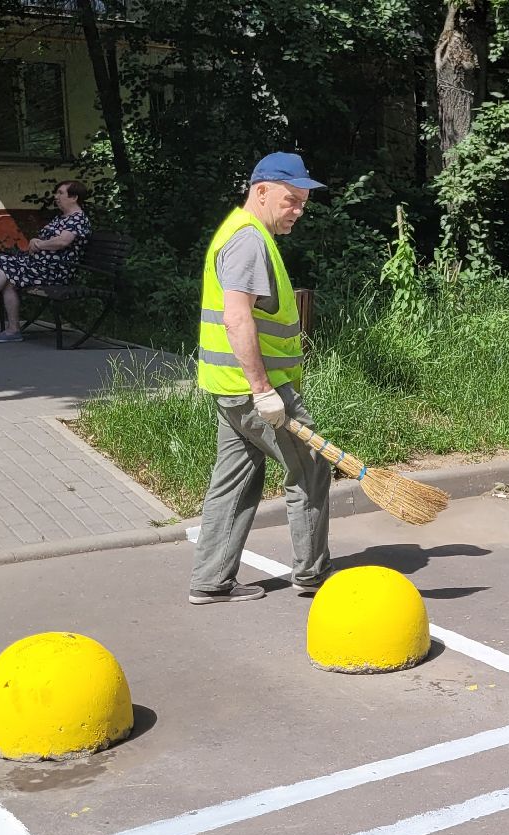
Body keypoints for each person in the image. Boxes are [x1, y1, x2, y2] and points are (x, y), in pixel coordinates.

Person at [186, 152, 333, 605]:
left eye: (304, 203)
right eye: (291, 200)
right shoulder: (249, 240)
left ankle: (211, 580)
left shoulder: (240, 233)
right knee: (310, 469)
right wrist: (265, 390)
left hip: (230, 390)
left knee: (235, 479)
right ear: (261, 190)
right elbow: (237, 319)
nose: (298, 211)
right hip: (257, 392)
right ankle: (312, 575)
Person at [0, 180, 92, 343]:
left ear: (74, 197)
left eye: (60, 193)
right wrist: (35, 241)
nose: (56, 197)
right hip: (42, 267)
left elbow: (62, 242)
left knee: (6, 266)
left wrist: (39, 244)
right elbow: (48, 239)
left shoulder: (78, 219)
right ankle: (10, 327)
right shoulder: (63, 218)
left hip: (56, 271)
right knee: (6, 270)